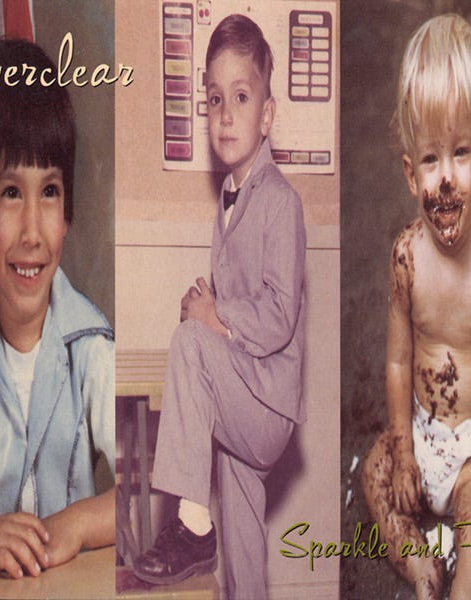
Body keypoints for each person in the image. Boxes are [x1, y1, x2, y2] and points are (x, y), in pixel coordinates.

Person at [129, 14, 308, 598]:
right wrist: (204, 309)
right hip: (241, 395)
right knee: (244, 544)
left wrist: (212, 321)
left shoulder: (281, 200)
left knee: (189, 344)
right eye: (214, 100)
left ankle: (191, 528)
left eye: (241, 97)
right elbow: (231, 308)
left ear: (268, 115)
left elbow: (279, 314)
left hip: (267, 404)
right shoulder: (227, 202)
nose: (226, 114)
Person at [359, 14, 471, 600]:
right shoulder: (406, 257)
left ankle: (464, 582)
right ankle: (421, 566)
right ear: (411, 175)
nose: (447, 179)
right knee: (373, 473)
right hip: (419, 432)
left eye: (459, 154)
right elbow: (398, 361)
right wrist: (404, 451)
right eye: (431, 160)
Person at [0, 37, 117, 580]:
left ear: (67, 216)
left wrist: (78, 524)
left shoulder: (93, 349)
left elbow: (155, 492)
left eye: (50, 192)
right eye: (12, 193)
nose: (33, 233)